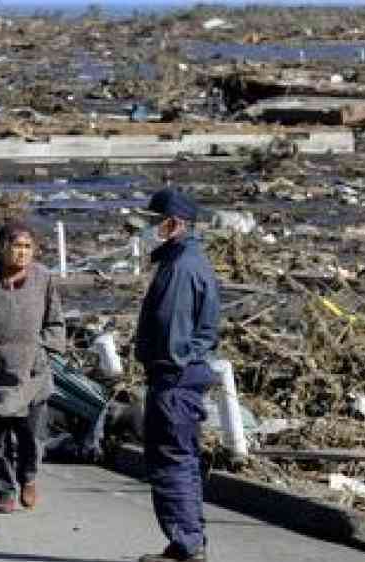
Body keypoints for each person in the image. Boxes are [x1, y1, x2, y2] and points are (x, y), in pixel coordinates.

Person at [135, 189, 221, 562]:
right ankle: (189, 539)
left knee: (171, 459)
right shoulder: (184, 260)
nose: (149, 228)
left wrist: (161, 370)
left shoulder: (181, 269)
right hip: (183, 376)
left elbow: (171, 332)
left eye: (155, 221)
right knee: (181, 458)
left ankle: (187, 542)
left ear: (174, 223)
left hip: (174, 377)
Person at [0, 221, 65, 513]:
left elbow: (55, 322)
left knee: (31, 436)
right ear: (0, 247)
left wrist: (43, 350)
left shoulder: (44, 278)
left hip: (32, 371)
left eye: (27, 247)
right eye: (16, 246)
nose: (22, 253)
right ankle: (3, 492)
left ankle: (28, 477)